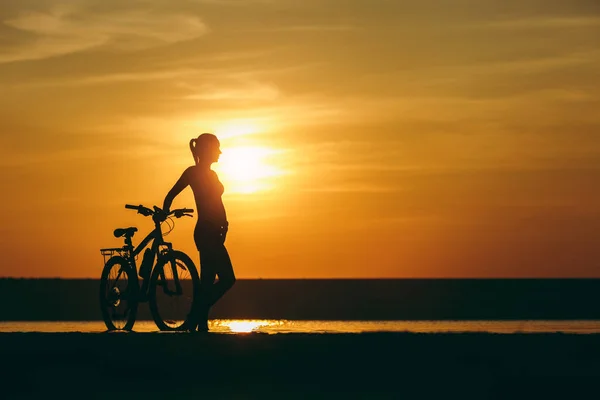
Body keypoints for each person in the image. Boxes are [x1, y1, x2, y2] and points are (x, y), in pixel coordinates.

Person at [162, 133, 236, 332]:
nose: (220, 152)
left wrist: (224, 226)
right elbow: (171, 194)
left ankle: (200, 325)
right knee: (228, 279)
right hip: (207, 233)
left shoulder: (212, 175)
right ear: (207, 150)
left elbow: (217, 203)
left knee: (207, 282)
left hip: (216, 233)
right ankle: (195, 316)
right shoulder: (193, 173)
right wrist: (164, 212)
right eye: (216, 148)